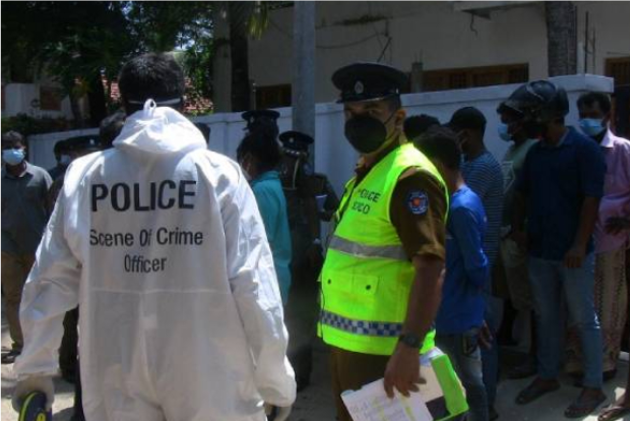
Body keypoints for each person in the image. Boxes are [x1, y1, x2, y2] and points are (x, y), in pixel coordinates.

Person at [12, 52, 296, 421]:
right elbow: (254, 283)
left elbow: (49, 281)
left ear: (123, 106)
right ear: (183, 103)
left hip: (116, 366)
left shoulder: (86, 176)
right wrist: (274, 380)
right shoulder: (219, 175)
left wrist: (35, 373)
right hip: (208, 371)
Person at [318, 62, 450, 421]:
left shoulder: (410, 177)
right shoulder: (368, 172)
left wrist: (409, 347)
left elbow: (431, 267)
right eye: (351, 112)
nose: (358, 121)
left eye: (372, 111)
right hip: (351, 345)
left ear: (399, 117)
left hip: (386, 352)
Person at [510, 80, 607, 418]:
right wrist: (519, 229)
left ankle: (593, 386)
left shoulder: (584, 150)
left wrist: (579, 244)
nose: (523, 121)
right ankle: (547, 375)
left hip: (573, 254)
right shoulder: (537, 153)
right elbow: (522, 193)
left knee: (583, 319)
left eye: (529, 114)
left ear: (550, 114)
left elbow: (591, 200)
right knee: (547, 317)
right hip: (540, 252)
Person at [416, 127, 490, 421]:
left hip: (458, 318)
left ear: (436, 164)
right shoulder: (450, 203)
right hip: (448, 314)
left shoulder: (461, 208)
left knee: (469, 386)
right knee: (447, 390)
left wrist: (476, 312)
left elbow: (477, 266)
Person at [565, 93, 630, 385]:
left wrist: (626, 221)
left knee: (608, 305)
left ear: (607, 116)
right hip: (579, 240)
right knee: (580, 305)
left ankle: (605, 362)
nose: (587, 120)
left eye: (592, 114)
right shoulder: (577, 150)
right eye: (583, 115)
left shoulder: (623, 150)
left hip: (609, 242)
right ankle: (579, 360)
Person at [447, 106, 503, 420]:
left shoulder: (481, 168)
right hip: (473, 263)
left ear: (465, 135)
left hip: (480, 265)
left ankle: (487, 406)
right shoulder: (472, 163)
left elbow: (459, 214)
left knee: (480, 340)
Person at [277, 129, 328, 392]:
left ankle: (288, 370)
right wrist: (315, 241)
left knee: (286, 312)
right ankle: (299, 373)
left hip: (282, 248)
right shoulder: (301, 168)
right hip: (300, 248)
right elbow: (313, 205)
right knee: (300, 312)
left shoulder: (274, 166)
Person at [0, 131, 52, 364]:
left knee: (39, 295)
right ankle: (20, 345)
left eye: (16, 146)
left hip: (37, 246)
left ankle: (42, 343)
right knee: (13, 297)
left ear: (24, 148)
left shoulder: (40, 176)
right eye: (7, 146)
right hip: (7, 248)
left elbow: (53, 210)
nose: (12, 150)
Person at [495, 100, 538, 379]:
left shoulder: (532, 149)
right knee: (508, 291)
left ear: (521, 122)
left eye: (509, 121)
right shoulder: (512, 149)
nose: (505, 127)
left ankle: (534, 354)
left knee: (527, 297)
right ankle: (506, 336)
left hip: (517, 234)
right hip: (504, 232)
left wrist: (523, 229)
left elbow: (531, 194)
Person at [237, 130, 292, 303]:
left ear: (249, 159)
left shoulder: (262, 190)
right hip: (271, 275)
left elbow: (259, 239)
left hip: (266, 278)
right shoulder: (267, 185)